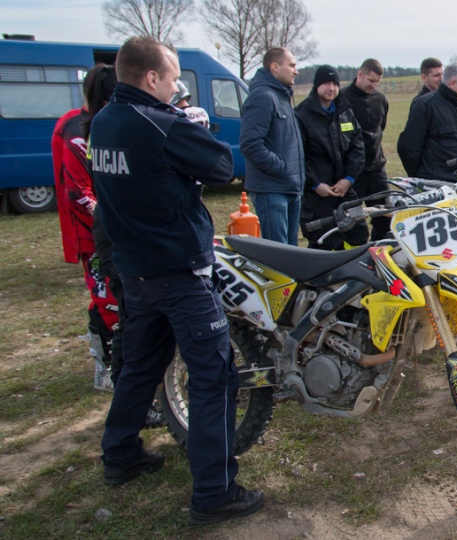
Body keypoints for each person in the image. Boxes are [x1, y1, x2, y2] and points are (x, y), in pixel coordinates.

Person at [90, 36, 263, 525]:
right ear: (151, 78)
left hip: (135, 269)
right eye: (172, 79)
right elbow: (223, 164)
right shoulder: (160, 124)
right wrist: (192, 122)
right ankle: (215, 492)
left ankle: (119, 455)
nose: (176, 87)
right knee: (214, 376)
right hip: (179, 272)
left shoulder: (104, 121)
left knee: (141, 367)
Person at [51, 64, 119, 392]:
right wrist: (110, 221)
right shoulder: (78, 132)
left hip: (106, 229)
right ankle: (105, 368)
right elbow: (78, 193)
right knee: (106, 299)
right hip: (92, 233)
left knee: (111, 295)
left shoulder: (92, 125)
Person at [295, 65, 369, 249]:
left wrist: (349, 178)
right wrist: (315, 184)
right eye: (327, 84)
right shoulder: (302, 114)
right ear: (317, 85)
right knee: (324, 239)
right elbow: (298, 156)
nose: (332, 89)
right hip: (318, 193)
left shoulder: (345, 112)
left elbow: (357, 146)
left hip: (345, 188)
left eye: (335, 84)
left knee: (359, 233)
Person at [240, 47, 305, 245]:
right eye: (292, 65)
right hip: (272, 189)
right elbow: (250, 143)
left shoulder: (282, 97)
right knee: (278, 254)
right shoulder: (263, 97)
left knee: (291, 253)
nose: (296, 71)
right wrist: (280, 167)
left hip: (291, 187)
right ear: (275, 67)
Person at [397, 61, 457, 182]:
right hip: (436, 182)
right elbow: (408, 147)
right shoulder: (425, 105)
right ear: (453, 83)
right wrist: (421, 177)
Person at [343, 58, 391, 240]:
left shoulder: (380, 100)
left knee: (384, 217)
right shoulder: (343, 99)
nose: (374, 85)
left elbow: (380, 128)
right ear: (360, 75)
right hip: (353, 172)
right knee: (353, 220)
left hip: (377, 170)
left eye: (377, 82)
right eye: (371, 81)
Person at [412, 57, 457, 131]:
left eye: (443, 74)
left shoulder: (454, 98)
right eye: (436, 75)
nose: (442, 78)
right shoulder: (422, 104)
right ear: (424, 77)